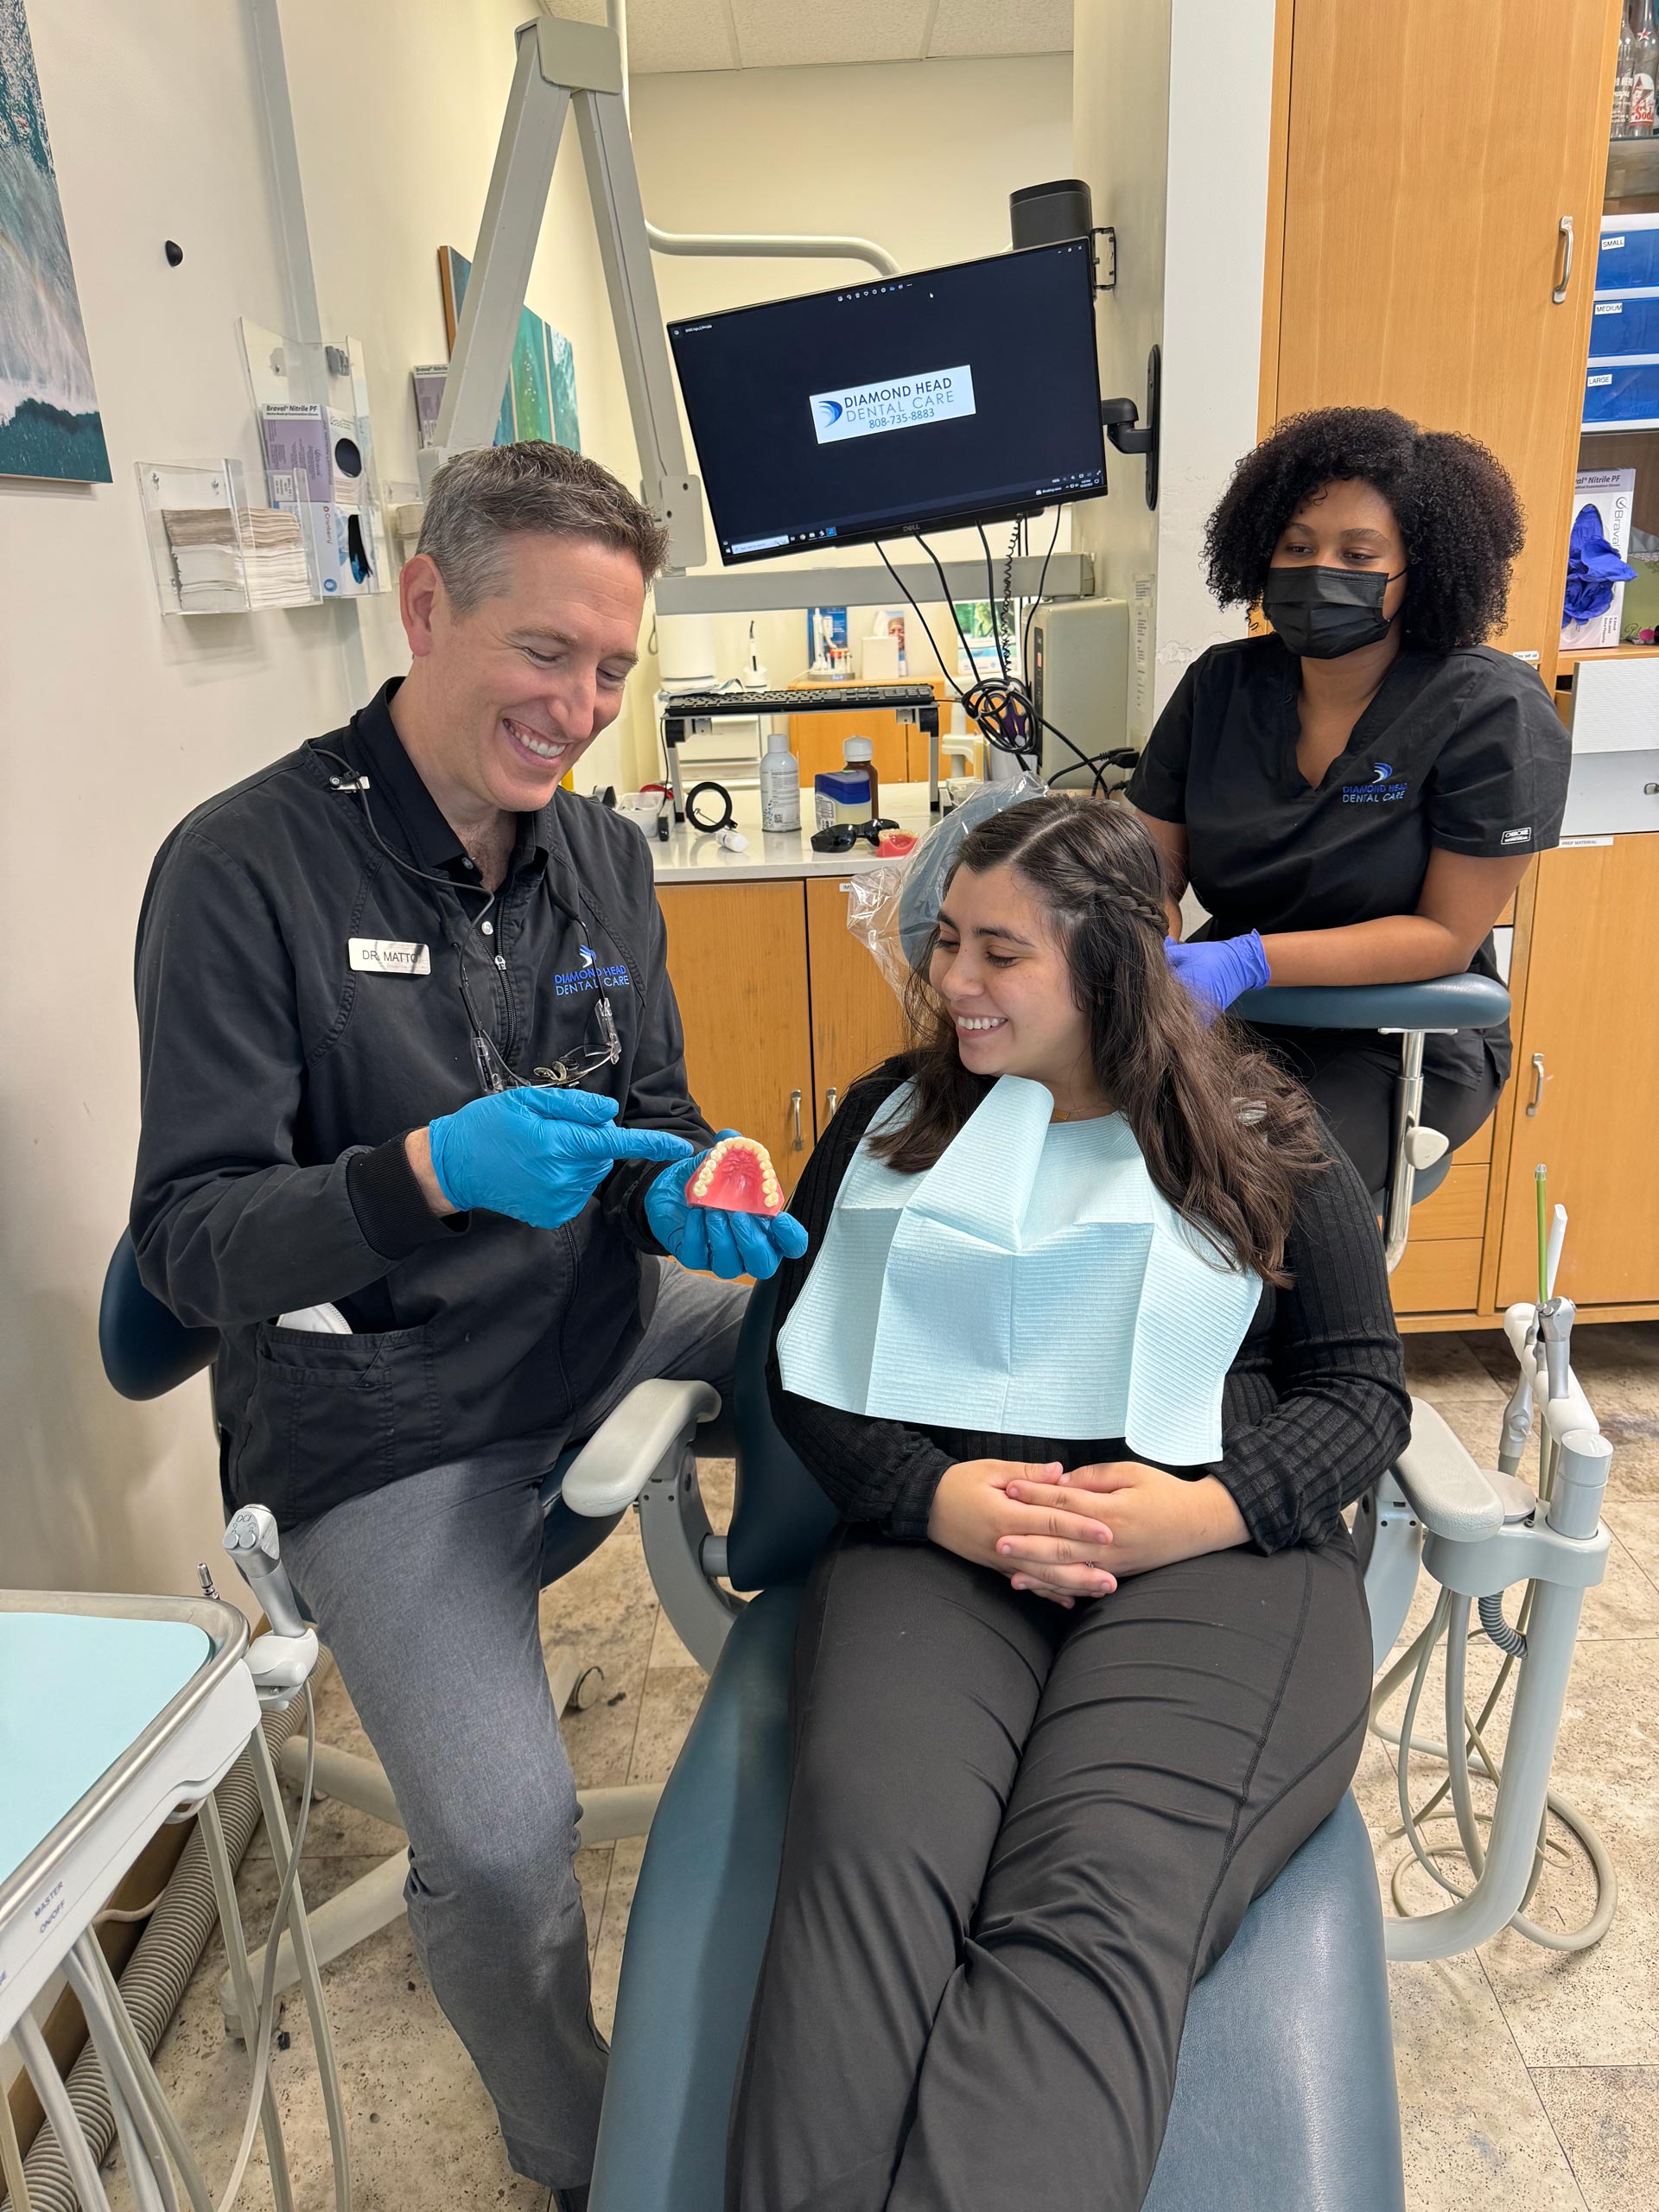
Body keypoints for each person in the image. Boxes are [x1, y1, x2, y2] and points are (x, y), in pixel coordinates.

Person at [130, 442, 804, 2210]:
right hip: (387, 1421)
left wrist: (686, 1182)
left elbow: (654, 1097)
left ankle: (884, 1719)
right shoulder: (241, 872)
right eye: (543, 652)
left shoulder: (597, 855)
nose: (578, 704)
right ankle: (585, 2153)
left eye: (610, 667)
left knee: (842, 1326)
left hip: (603, 1321)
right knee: (504, 1849)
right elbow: (190, 1245)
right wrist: (416, 1171)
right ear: (427, 603)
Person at [725, 793, 1410, 2212]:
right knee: (872, 1875)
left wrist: (1203, 1508)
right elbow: (805, 1368)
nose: (953, 983)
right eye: (949, 945)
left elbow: (1362, 1394)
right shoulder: (889, 1124)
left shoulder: (1254, 1127)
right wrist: (934, 1496)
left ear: (1106, 964)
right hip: (939, 1552)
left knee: (1091, 1892)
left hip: (1214, 1563)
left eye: (999, 954)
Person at [1127, 405, 1571, 1195]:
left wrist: (1246, 959)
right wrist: (1158, 951)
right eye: (1296, 546)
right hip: (1229, 1020)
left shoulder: (1488, 707)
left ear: (1419, 570)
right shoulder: (1222, 686)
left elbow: (1441, 934)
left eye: (1357, 553)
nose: (1316, 569)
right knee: (1098, 1157)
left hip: (1397, 1037)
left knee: (1243, 1191)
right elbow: (1148, 873)